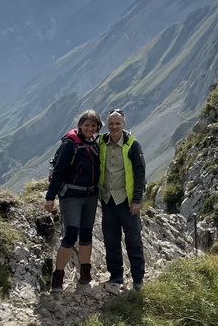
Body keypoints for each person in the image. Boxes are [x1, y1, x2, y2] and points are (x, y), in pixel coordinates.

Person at [44, 109, 102, 292]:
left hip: (90, 196)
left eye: (93, 126)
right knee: (70, 236)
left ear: (98, 127)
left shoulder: (96, 143)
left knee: (86, 235)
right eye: (87, 125)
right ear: (80, 126)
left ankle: (85, 275)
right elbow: (59, 171)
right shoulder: (70, 144)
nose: (90, 128)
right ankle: (58, 279)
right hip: (71, 197)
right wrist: (50, 197)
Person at [98, 108, 147, 291]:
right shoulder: (101, 142)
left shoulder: (132, 144)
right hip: (108, 199)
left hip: (127, 202)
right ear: (107, 125)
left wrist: (137, 200)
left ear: (124, 124)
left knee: (133, 240)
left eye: (117, 123)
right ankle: (116, 276)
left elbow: (140, 172)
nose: (114, 127)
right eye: (111, 123)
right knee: (111, 240)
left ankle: (138, 279)